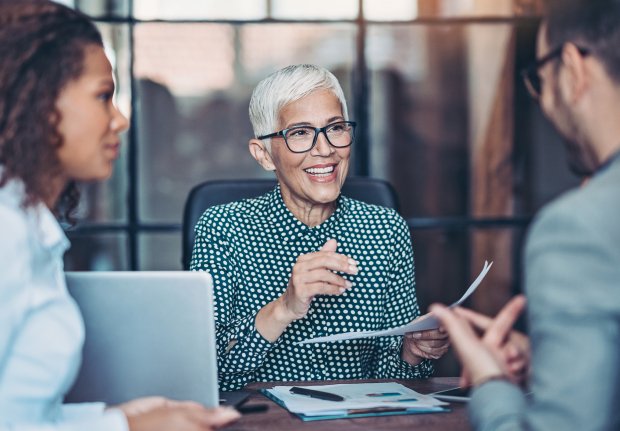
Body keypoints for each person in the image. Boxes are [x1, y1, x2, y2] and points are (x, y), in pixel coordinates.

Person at [0, 2, 239, 430]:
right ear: (39, 101)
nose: (121, 120)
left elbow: (20, 414)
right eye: (102, 97)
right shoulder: (7, 231)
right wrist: (131, 428)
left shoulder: (32, 226)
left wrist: (123, 416)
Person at [190, 64, 449, 391]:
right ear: (264, 154)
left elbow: (395, 379)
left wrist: (411, 353)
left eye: (336, 128)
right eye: (299, 133)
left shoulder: (386, 229)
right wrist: (284, 308)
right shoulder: (224, 228)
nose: (325, 149)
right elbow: (208, 373)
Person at [431, 0, 620, 430]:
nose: (543, 102)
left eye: (540, 79)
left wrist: (491, 382)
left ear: (572, 69)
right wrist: (558, 358)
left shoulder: (578, 226)